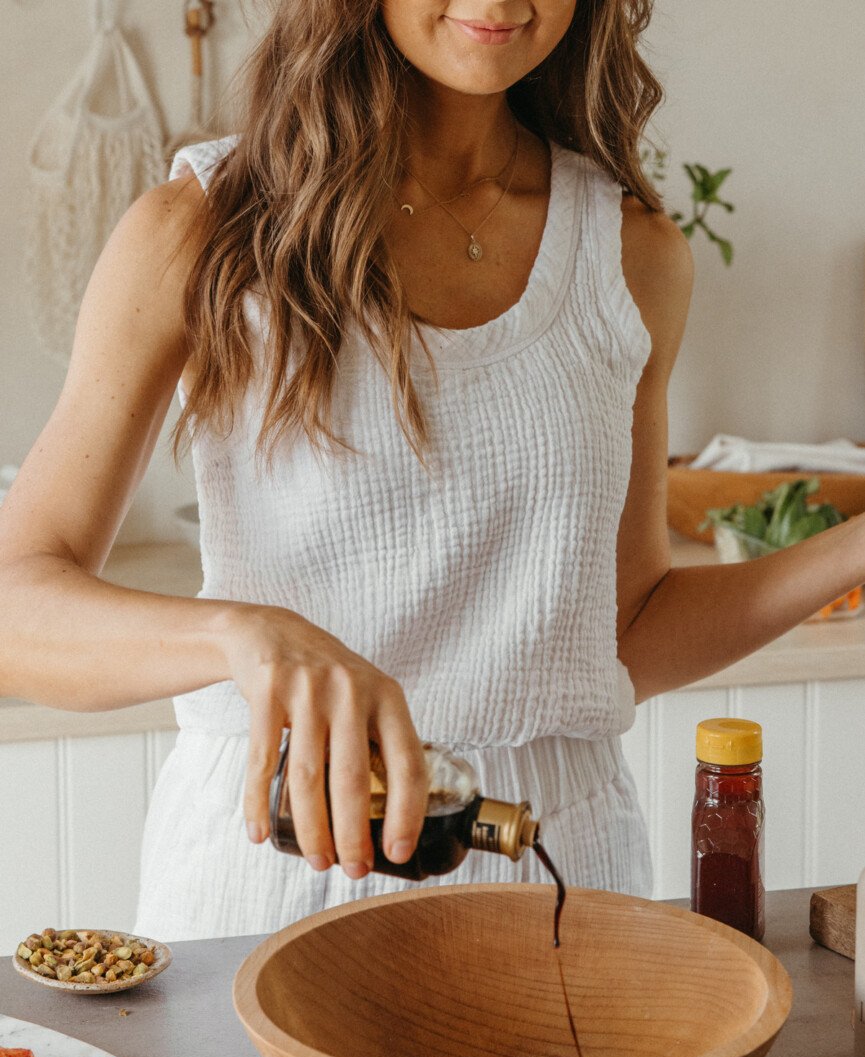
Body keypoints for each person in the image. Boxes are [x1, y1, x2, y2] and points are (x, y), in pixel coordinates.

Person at [1, 2, 862, 941]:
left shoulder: (632, 255)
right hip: (273, 880)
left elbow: (618, 633)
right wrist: (242, 639)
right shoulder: (207, 226)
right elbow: (16, 606)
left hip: (560, 879)